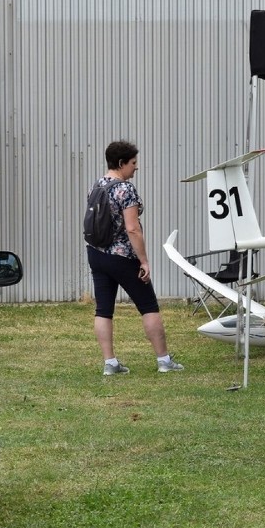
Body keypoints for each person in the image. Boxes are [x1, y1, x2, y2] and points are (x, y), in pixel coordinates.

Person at [86, 140, 184, 375]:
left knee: (103, 309)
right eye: (133, 163)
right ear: (121, 163)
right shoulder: (125, 189)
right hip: (123, 257)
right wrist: (144, 261)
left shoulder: (97, 185)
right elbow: (132, 228)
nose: (136, 167)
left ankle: (110, 364)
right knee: (149, 306)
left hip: (97, 254)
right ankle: (164, 361)